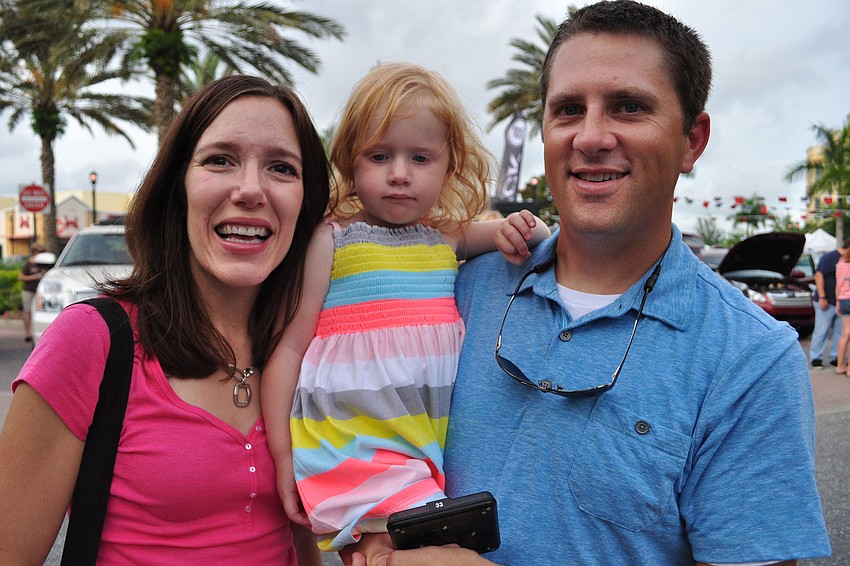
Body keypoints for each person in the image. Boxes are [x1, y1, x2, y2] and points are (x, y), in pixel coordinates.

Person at [355, 2, 831, 565]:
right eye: (568, 110)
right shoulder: (453, 289)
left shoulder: (750, 359)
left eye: (629, 108)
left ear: (691, 141)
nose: (591, 136)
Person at [0, 75, 330, 564]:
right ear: (177, 186)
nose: (251, 190)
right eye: (220, 160)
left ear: (305, 202)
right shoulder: (90, 341)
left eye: (282, 167)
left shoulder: (318, 345)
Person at [262, 62, 550, 557]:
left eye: (420, 157)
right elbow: (289, 347)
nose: (399, 174)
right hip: (352, 442)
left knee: (401, 548)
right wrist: (283, 457)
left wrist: (523, 228)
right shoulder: (333, 239)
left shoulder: (448, 238)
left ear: (448, 166)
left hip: (419, 444)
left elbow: (534, 235)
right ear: (351, 160)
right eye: (379, 156)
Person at [809, 240, 848, 367]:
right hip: (826, 300)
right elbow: (819, 276)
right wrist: (822, 297)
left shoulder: (846, 260)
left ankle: (835, 357)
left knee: (839, 331)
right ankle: (816, 357)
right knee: (821, 330)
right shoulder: (830, 257)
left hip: (840, 301)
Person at [18, 243, 45, 342]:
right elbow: (21, 277)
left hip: (40, 292)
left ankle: (36, 331)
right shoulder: (28, 264)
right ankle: (27, 332)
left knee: (38, 312)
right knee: (27, 311)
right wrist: (34, 277)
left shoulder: (42, 264)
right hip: (28, 291)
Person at [833, 243, 850, 374]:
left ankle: (840, 365)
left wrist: (838, 303)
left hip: (843, 300)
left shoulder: (840, 265)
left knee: (845, 333)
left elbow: (838, 286)